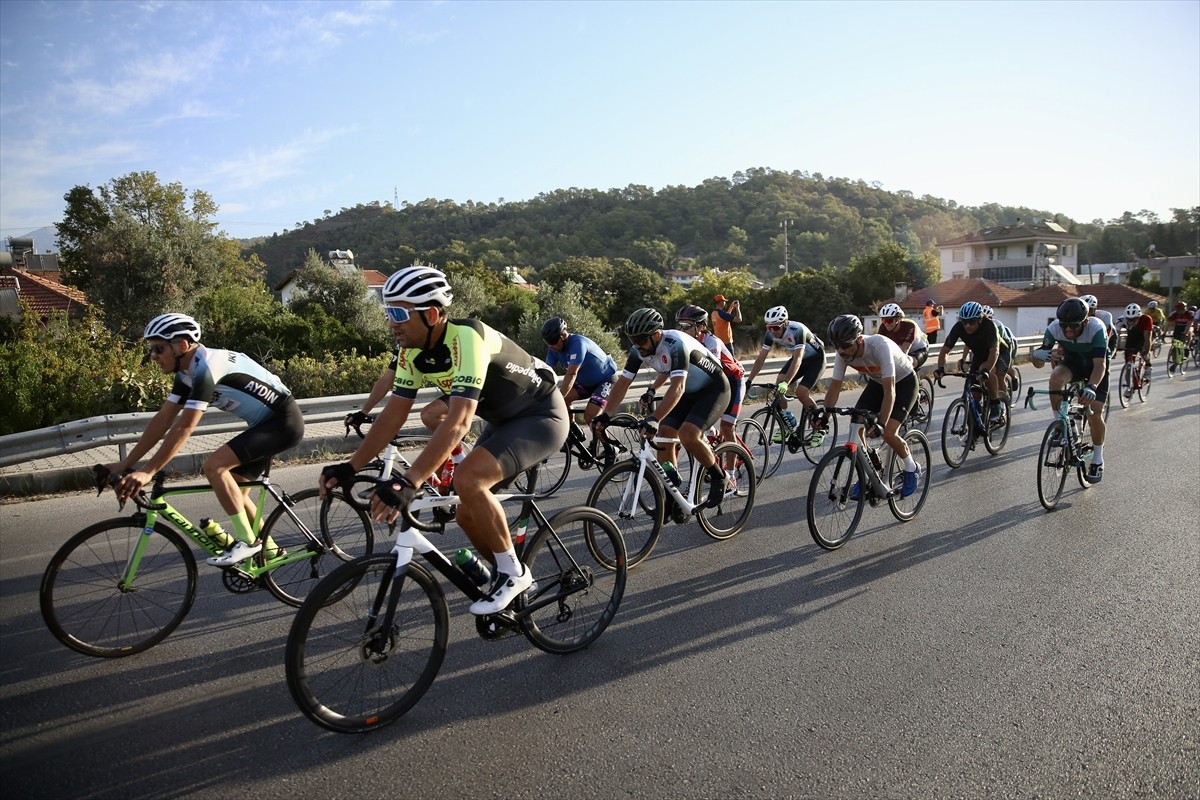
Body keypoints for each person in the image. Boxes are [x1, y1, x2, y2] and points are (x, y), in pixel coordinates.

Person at [319, 266, 569, 616]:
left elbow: (459, 421)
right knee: (466, 513)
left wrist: (410, 480)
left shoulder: (466, 337)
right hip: (502, 421)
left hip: (541, 416)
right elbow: (394, 414)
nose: (391, 322)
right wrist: (351, 466)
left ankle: (514, 574)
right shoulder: (412, 352)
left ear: (432, 314)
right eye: (387, 312)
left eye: (399, 313)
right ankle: (506, 573)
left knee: (469, 479)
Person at [105, 313, 304, 566]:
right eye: (151, 349)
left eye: (158, 348)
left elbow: (185, 427)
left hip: (283, 422)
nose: (152, 356)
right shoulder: (186, 372)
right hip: (265, 424)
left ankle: (249, 543)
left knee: (214, 466)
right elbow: (163, 420)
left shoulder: (206, 367)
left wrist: (148, 471)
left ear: (182, 346)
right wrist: (126, 464)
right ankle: (271, 552)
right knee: (237, 492)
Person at [594, 308, 731, 514]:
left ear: (656, 335)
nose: (637, 345)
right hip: (689, 390)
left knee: (688, 434)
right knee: (665, 434)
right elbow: (623, 383)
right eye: (633, 339)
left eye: (640, 339)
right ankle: (673, 493)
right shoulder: (638, 350)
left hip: (715, 388)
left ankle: (719, 477)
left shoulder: (675, 345)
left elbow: (677, 387)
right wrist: (606, 415)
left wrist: (654, 418)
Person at [819, 314, 922, 498]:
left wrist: (881, 423)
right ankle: (872, 470)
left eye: (844, 345)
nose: (840, 350)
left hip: (904, 382)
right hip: (877, 383)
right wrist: (825, 416)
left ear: (859, 339)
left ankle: (911, 467)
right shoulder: (843, 352)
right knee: (856, 421)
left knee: (889, 433)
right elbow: (835, 387)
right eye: (836, 346)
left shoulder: (879, 346)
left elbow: (890, 390)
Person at [1029, 298, 1109, 484]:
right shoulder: (1054, 328)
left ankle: (1097, 459)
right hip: (1073, 362)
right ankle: (1060, 424)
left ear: (1085, 321)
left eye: (1074, 325)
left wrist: (1092, 386)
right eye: (1065, 325)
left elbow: (1100, 364)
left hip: (1095, 367)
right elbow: (1040, 364)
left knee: (1094, 413)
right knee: (1055, 377)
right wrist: (1035, 355)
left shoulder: (1096, 328)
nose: (1068, 330)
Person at [744, 305, 828, 446]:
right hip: (800, 359)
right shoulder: (770, 334)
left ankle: (821, 427)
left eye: (776, 328)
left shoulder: (797, 330)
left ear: (785, 323)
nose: (772, 331)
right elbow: (760, 359)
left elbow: (798, 359)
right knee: (779, 381)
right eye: (769, 327)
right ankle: (788, 420)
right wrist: (749, 380)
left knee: (801, 392)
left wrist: (787, 382)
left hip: (816, 360)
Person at [935, 301, 1011, 424]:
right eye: (964, 322)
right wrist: (940, 368)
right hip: (980, 355)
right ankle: (974, 427)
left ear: (980, 320)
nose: (967, 326)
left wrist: (986, 370)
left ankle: (996, 403)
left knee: (986, 370)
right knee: (974, 392)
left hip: (1000, 354)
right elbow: (945, 350)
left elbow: (994, 352)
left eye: (972, 322)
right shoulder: (959, 327)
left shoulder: (989, 326)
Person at [541, 316, 618, 429]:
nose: (550, 345)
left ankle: (610, 447)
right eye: (547, 342)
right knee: (562, 400)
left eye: (552, 341)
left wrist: (560, 398)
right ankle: (573, 428)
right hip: (585, 383)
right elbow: (547, 373)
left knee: (590, 417)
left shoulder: (578, 343)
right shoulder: (553, 349)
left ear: (563, 336)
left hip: (605, 380)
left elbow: (572, 374)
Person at [877, 303, 929, 370]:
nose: (886, 324)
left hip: (918, 349)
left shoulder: (910, 326)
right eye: (883, 320)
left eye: (889, 320)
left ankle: (913, 379)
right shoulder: (883, 327)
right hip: (900, 349)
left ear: (898, 319)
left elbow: (904, 350)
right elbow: (877, 346)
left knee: (908, 363)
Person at [1120, 302, 1154, 396]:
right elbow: (1117, 334)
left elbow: (1147, 339)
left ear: (1138, 317)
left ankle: (1148, 366)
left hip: (1143, 336)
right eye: (1129, 319)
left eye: (1134, 319)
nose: (1131, 322)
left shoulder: (1146, 319)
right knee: (1128, 364)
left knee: (1143, 352)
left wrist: (1146, 352)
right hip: (1131, 338)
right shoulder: (1122, 320)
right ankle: (1129, 387)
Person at [1166, 301, 1196, 369]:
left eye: (1182, 309)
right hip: (1178, 328)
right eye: (1179, 310)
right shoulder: (1174, 314)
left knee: (1189, 331)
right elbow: (1168, 324)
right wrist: (1164, 333)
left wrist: (1185, 333)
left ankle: (1187, 346)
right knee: (1176, 345)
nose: (1181, 311)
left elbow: (1189, 325)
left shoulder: (1190, 313)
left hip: (1187, 327)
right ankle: (1176, 360)